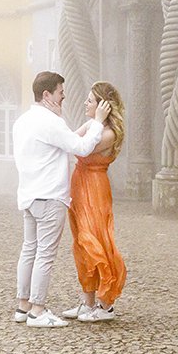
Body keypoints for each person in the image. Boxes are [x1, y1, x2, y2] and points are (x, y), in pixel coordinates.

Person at [12, 70, 111, 328]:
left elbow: (60, 143)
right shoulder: (50, 122)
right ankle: (38, 311)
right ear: (47, 95)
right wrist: (98, 122)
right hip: (49, 197)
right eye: (60, 94)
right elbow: (82, 147)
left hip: (29, 195)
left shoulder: (23, 121)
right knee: (44, 255)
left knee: (29, 250)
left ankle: (23, 307)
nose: (63, 99)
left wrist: (88, 126)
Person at [60, 80, 127, 323]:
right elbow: (71, 141)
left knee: (96, 240)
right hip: (80, 185)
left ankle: (106, 304)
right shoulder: (94, 124)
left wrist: (95, 123)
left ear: (103, 106)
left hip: (95, 189)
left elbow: (83, 150)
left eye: (90, 100)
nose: (85, 103)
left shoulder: (108, 132)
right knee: (80, 242)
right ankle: (88, 303)